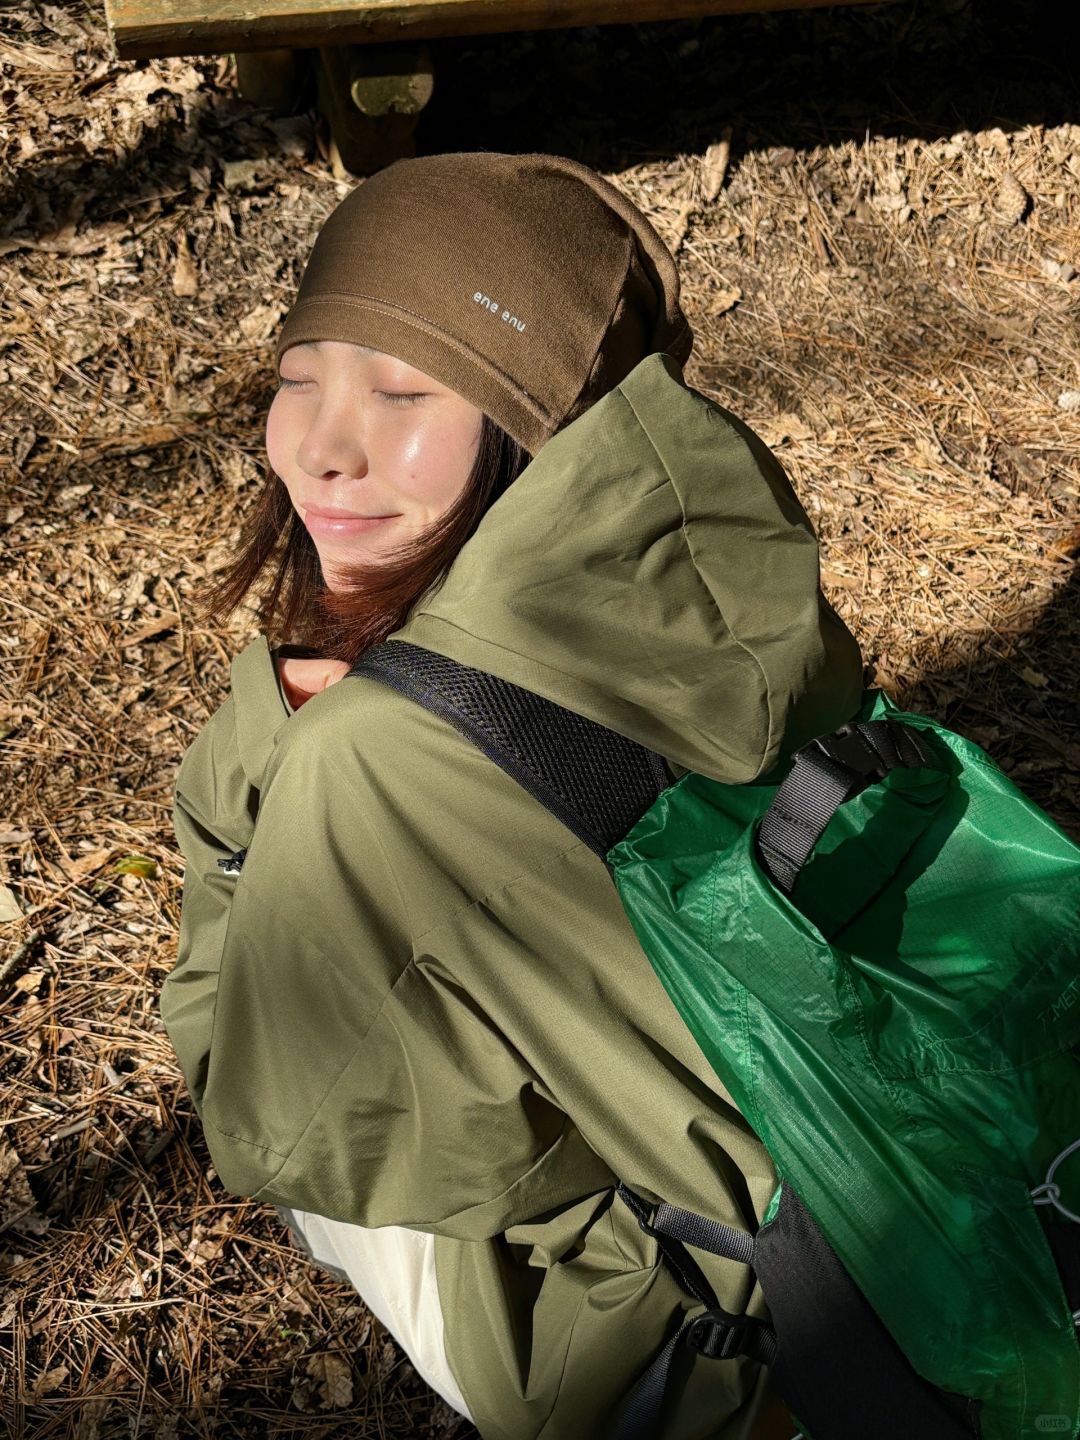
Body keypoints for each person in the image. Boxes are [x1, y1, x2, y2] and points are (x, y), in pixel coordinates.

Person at [161, 150, 863, 1439]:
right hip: (893, 1198)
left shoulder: (374, 760)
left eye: (404, 389)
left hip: (693, 1340)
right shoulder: (716, 558)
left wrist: (274, 768)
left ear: (536, 419)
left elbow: (276, 1124)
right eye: (297, 381)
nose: (320, 451)